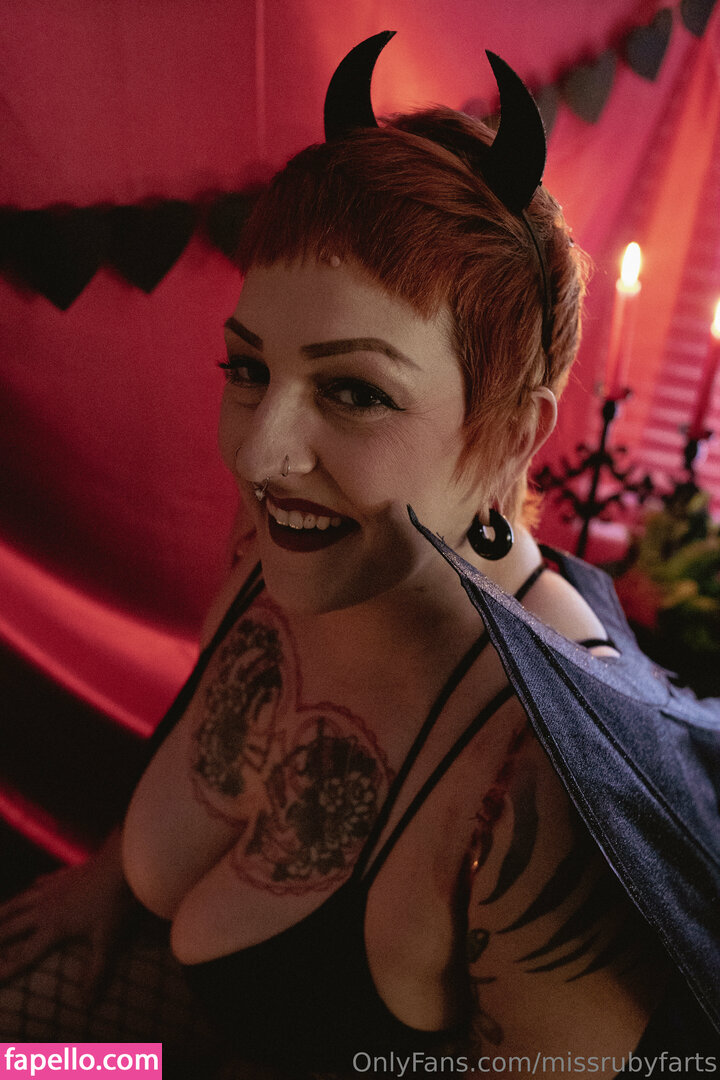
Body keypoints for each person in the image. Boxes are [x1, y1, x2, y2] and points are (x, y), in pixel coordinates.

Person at [1, 32, 718, 1079]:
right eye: (248, 369)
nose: (259, 455)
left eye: (354, 391)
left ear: (511, 434)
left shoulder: (551, 793)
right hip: (164, 1036)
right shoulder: (297, 534)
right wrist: (110, 878)